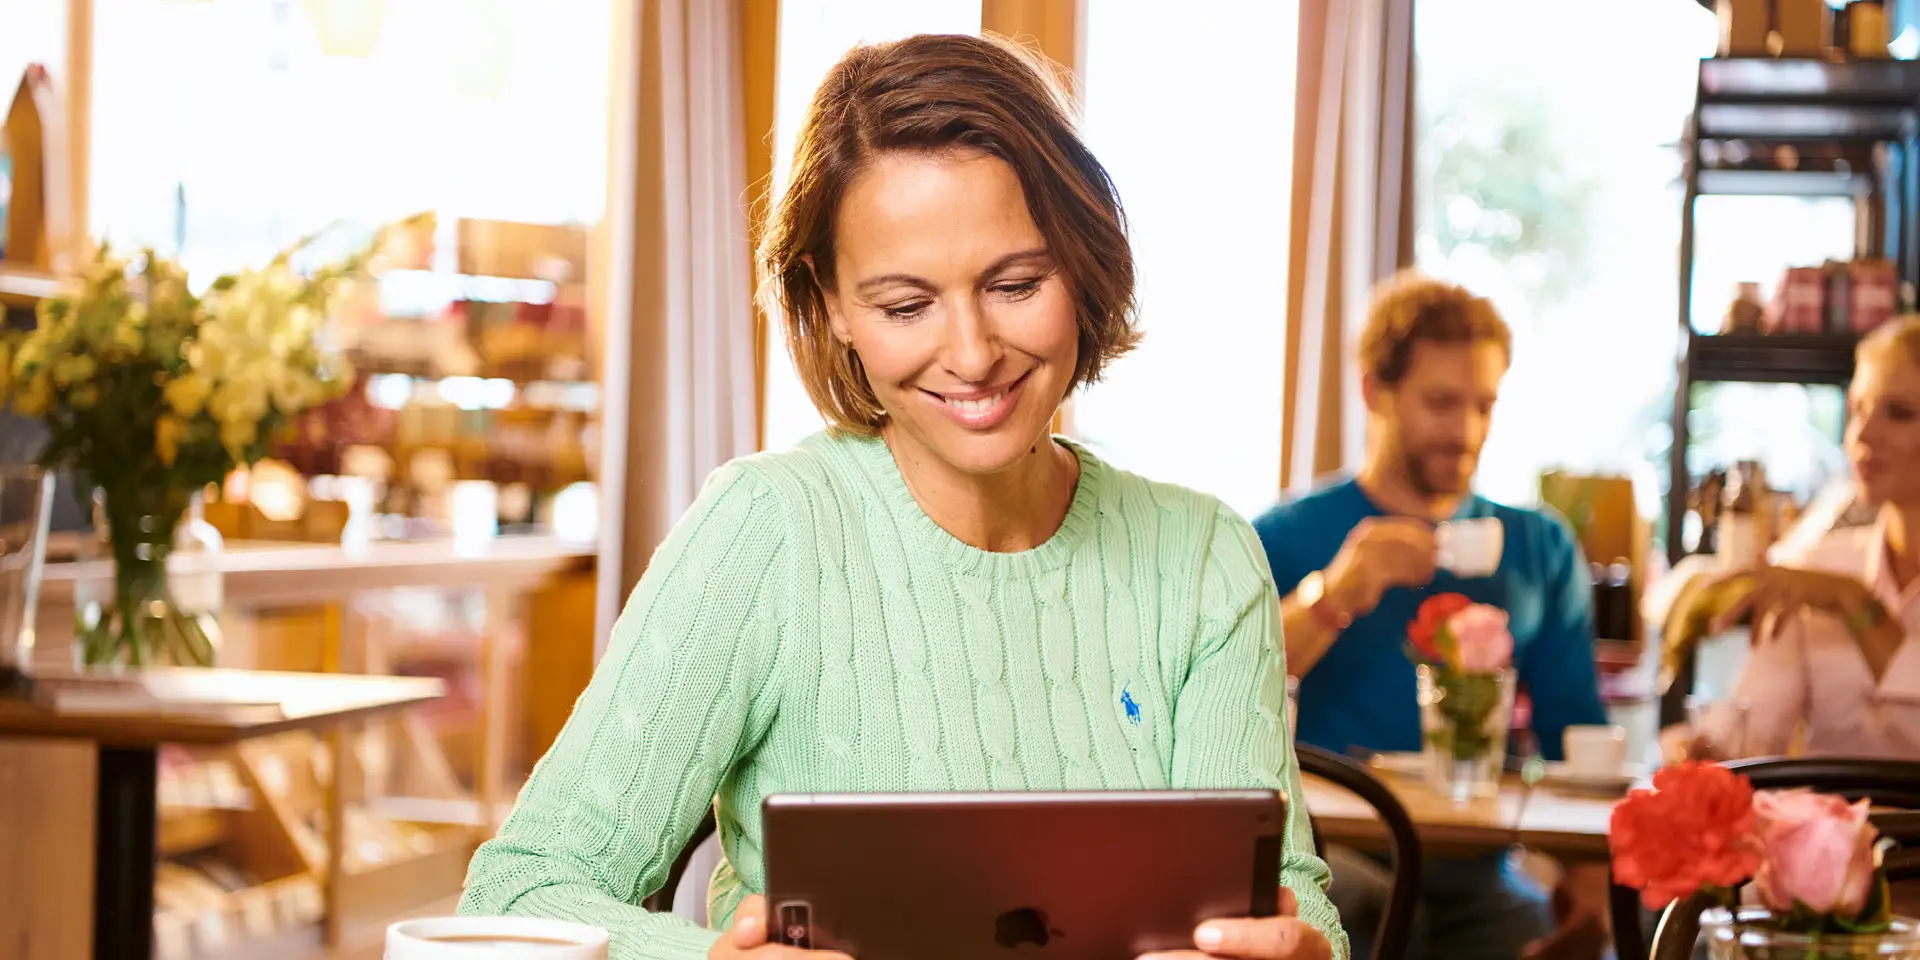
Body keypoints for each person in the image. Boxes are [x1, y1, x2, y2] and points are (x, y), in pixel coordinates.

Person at [458, 33, 1345, 960]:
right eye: (905, 305)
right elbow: (518, 893)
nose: (971, 354)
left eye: (1014, 284)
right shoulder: (770, 531)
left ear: (1080, 264)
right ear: (832, 304)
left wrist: (1301, 949)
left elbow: (1289, 901)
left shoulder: (1202, 558)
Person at [1250, 273, 1610, 960]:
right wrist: (1336, 594)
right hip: (1333, 857)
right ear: (1373, 393)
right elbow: (1230, 687)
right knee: (1377, 913)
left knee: (1541, 934)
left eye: (1484, 405)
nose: (1467, 431)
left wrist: (1591, 892)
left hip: (1478, 871)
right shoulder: (1286, 537)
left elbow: (1577, 727)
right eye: (1442, 403)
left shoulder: (1538, 546)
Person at [1663, 316, 1920, 763]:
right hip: (1824, 832)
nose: (1862, 435)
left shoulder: (1828, 585)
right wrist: (1703, 750)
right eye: (1857, 408)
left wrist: (1858, 604)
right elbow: (1753, 735)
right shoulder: (1816, 569)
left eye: (1899, 412)